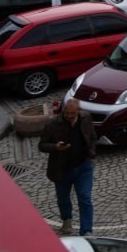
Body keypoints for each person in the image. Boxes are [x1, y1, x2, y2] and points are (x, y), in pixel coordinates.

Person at [38, 98, 96, 236]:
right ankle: (67, 220)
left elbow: (92, 137)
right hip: (62, 168)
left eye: (72, 113)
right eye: (67, 113)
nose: (69, 116)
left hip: (83, 166)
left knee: (85, 197)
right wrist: (55, 147)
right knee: (63, 198)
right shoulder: (53, 124)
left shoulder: (85, 118)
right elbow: (42, 145)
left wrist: (92, 152)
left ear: (78, 111)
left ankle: (86, 230)